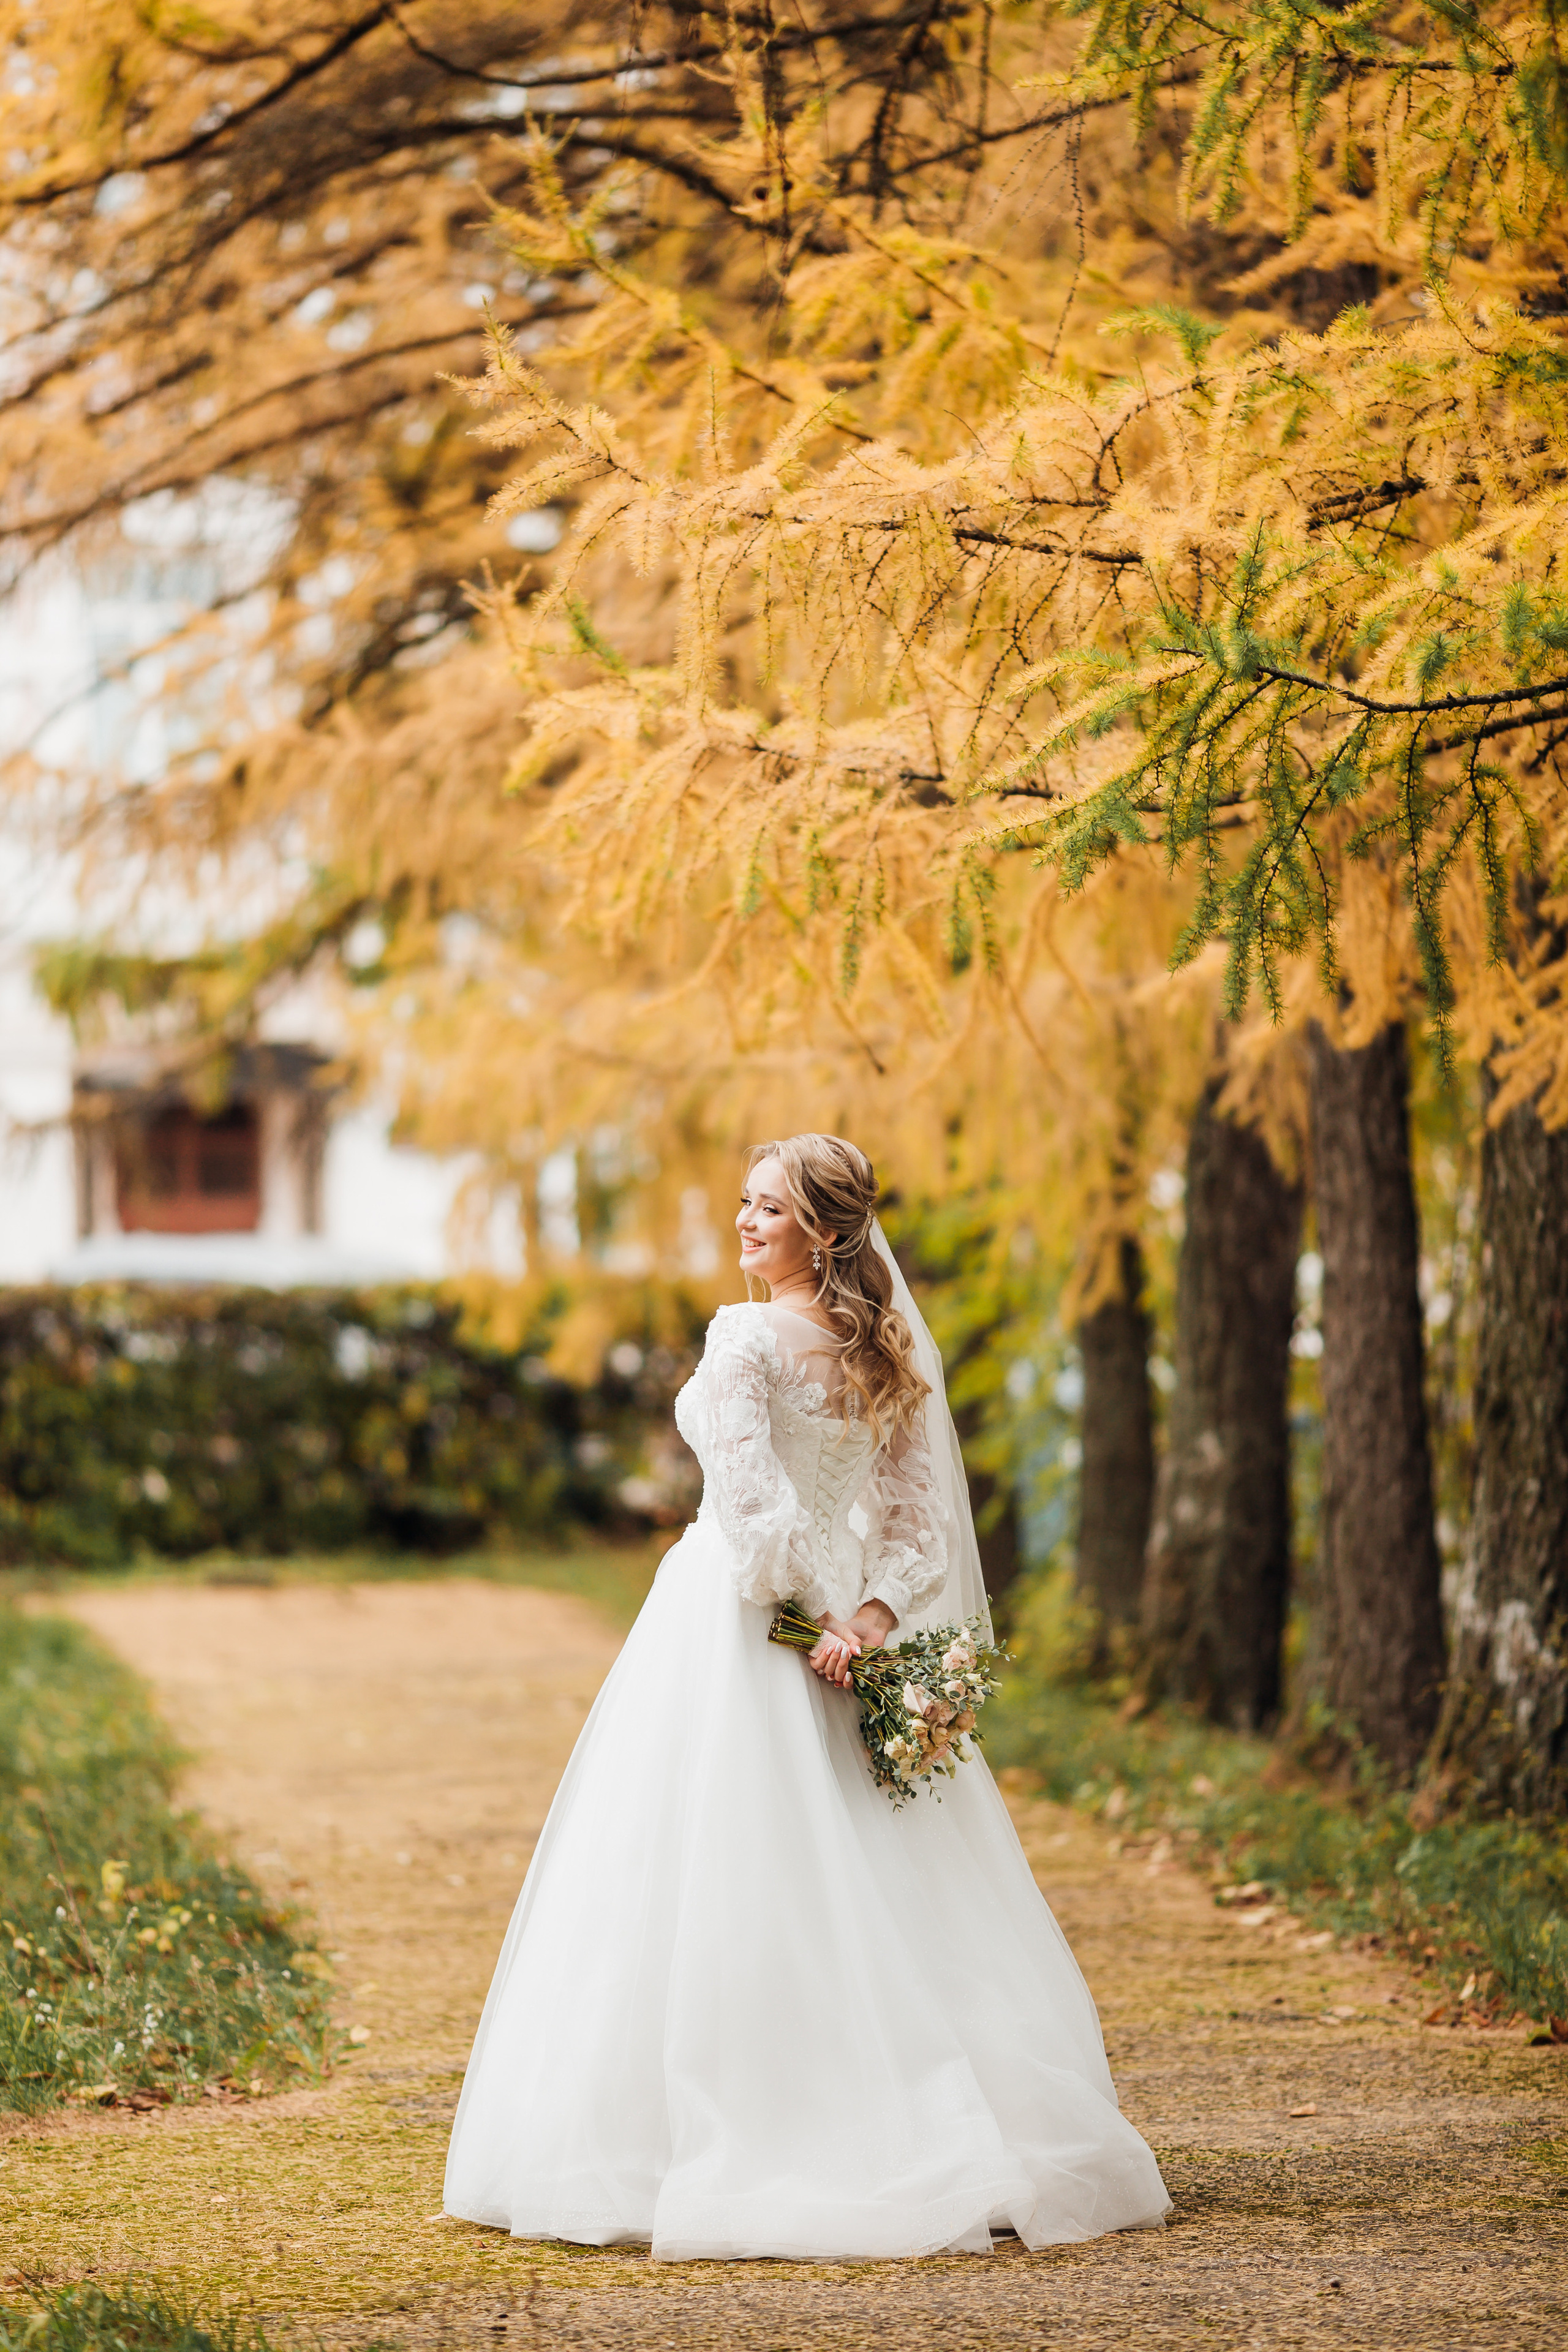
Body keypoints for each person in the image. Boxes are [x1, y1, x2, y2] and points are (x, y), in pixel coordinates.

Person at [443, 1133, 1171, 2261]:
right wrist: (868, 1615)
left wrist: (813, 1620)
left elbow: (750, 1503)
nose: (744, 1222)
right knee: (876, 1865)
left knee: (713, 1862)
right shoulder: (883, 1349)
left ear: (825, 1232)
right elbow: (914, 1513)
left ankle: (720, 2132)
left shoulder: (742, 1335)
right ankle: (933, 2113)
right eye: (743, 1201)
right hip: (836, 1622)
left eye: (769, 1210)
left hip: (742, 1619)